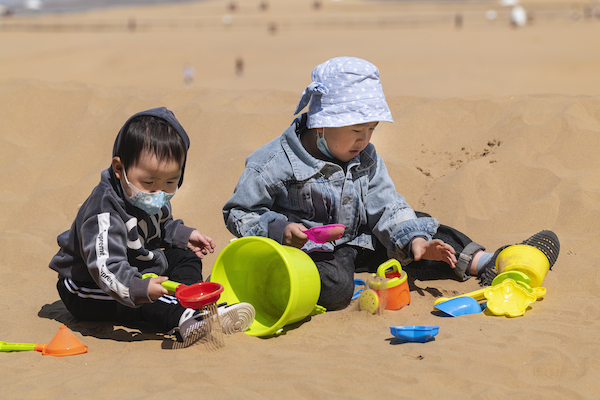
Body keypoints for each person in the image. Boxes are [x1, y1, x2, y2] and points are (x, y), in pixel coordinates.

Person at [222, 57, 560, 311]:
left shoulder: (365, 157)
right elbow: (239, 211)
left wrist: (413, 239)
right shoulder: (273, 163)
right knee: (335, 287)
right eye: (357, 131)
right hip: (312, 255)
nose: (365, 139)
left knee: (419, 226)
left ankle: (486, 262)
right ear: (322, 123)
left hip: (364, 239)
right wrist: (280, 230)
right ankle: (306, 287)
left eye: (371, 129)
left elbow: (387, 205)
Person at [49, 107, 254, 345]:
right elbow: (106, 268)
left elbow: (159, 226)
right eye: (149, 182)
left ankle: (193, 301)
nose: (159, 192)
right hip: (89, 286)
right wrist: (139, 287)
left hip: (133, 263)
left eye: (170, 182)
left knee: (184, 255)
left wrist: (182, 235)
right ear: (119, 169)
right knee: (144, 301)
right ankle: (184, 317)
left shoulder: (148, 195)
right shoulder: (103, 213)